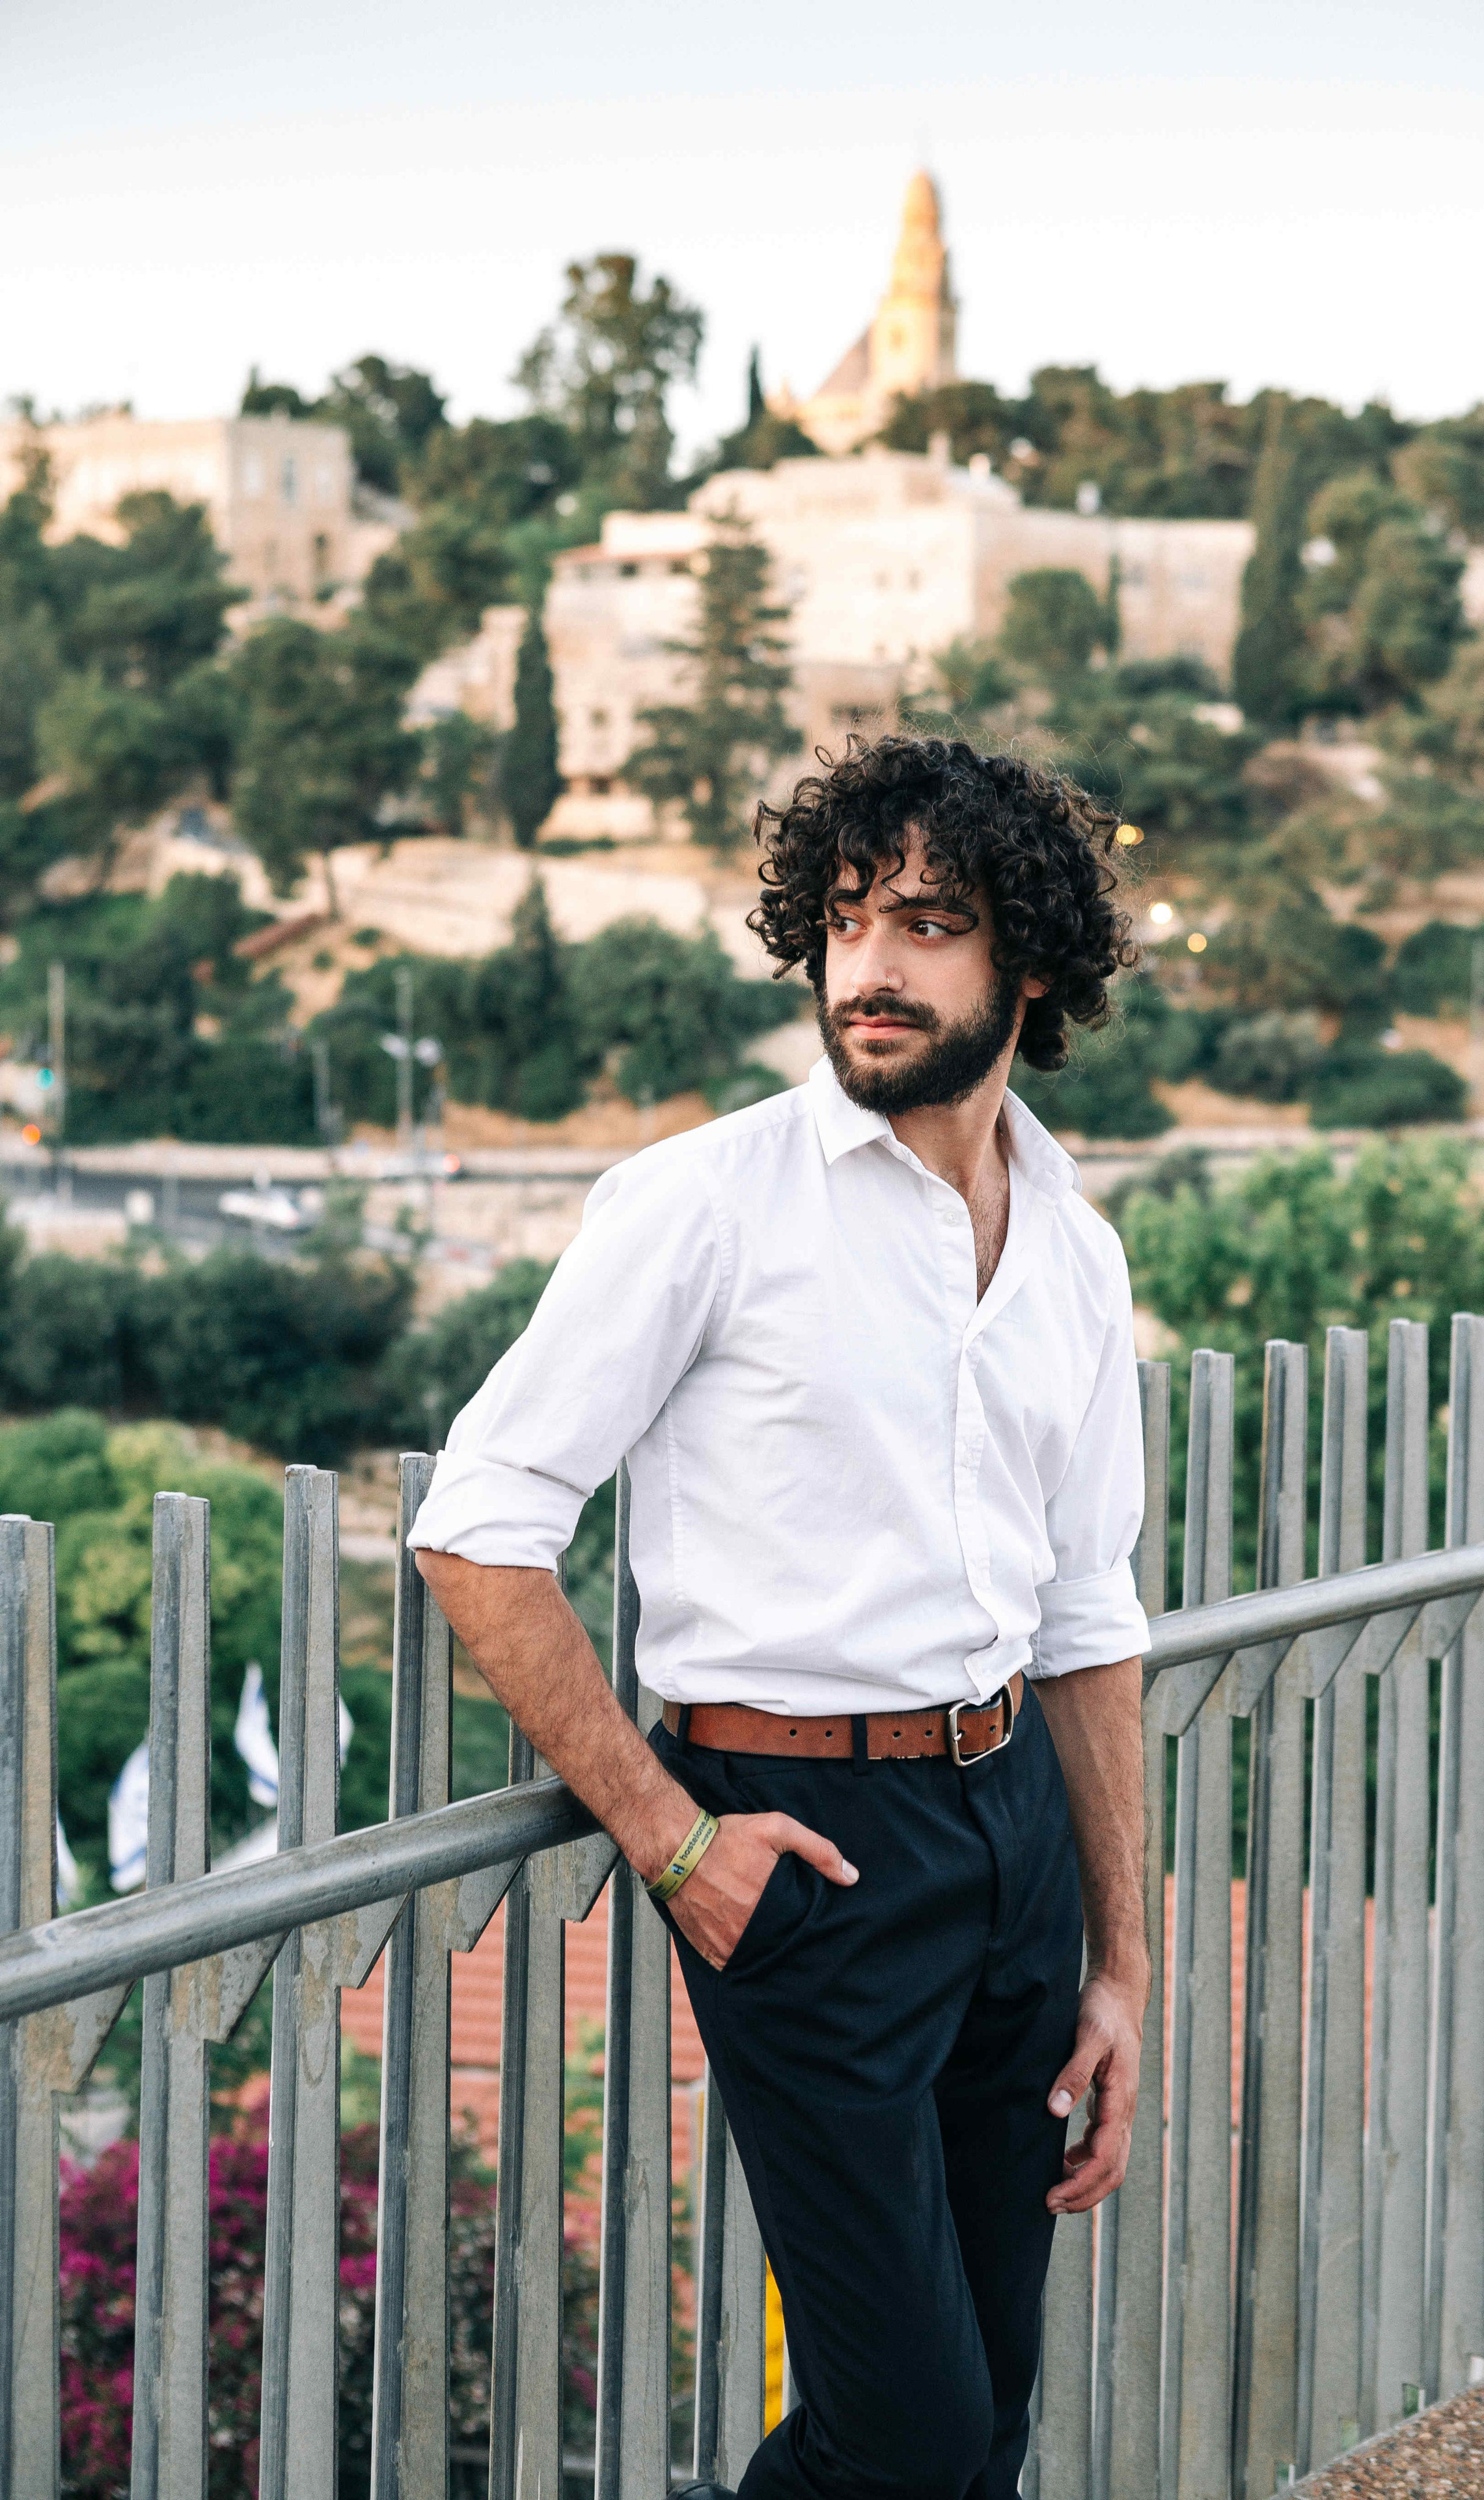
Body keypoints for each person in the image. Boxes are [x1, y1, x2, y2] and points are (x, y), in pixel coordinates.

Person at [409, 734, 1153, 2500]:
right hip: (804, 1847)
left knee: (991, 2415)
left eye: (928, 925)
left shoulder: (1072, 1244)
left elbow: (1086, 1611)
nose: (869, 967)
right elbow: (478, 1530)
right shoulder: (705, 1203)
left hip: (1015, 1837)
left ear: (1029, 967)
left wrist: (1122, 1963)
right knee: (902, 2435)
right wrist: (675, 1843)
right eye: (845, 919)